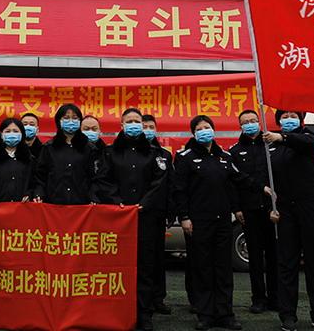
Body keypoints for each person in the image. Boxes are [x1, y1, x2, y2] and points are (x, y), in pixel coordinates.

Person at [174, 114, 269, 331]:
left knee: (223, 269)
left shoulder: (224, 157)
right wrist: (184, 217)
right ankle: (205, 314)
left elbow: (238, 178)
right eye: (199, 128)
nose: (204, 131)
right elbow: (179, 191)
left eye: (207, 127)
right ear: (193, 133)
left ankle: (225, 314)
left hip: (223, 222)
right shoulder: (185, 157)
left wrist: (261, 187)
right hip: (199, 222)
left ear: (213, 130)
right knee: (203, 268)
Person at [265, 110, 314, 331]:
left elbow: (305, 142)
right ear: (278, 120)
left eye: (292, 115)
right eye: (284, 116)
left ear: (300, 119)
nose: (288, 119)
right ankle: (287, 316)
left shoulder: (307, 137)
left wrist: (282, 137)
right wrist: (271, 208)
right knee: (287, 264)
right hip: (286, 211)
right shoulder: (272, 147)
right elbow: (268, 180)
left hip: (312, 207)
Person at [102, 108, 168, 331]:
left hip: (145, 217)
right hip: (118, 219)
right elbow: (104, 179)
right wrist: (117, 201)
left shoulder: (153, 152)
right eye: (128, 121)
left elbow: (159, 181)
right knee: (118, 266)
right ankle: (119, 310)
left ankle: (144, 313)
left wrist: (144, 203)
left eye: (136, 121)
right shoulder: (111, 152)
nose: (133, 124)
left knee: (145, 266)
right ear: (121, 125)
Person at [229, 109, 278, 314]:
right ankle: (258, 299)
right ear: (240, 126)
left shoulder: (271, 145)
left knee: (274, 255)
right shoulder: (235, 150)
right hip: (249, 210)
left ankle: (275, 298)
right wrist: (236, 208)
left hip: (271, 210)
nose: (250, 124)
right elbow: (234, 181)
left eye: (253, 120)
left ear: (259, 122)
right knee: (255, 257)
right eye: (245, 122)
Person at [32, 103, 104, 205]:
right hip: (53, 204)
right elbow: (40, 176)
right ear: (59, 121)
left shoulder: (89, 149)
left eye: (75, 118)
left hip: (82, 205)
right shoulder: (48, 148)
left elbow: (95, 178)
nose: (71, 121)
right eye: (66, 118)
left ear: (80, 121)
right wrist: (38, 193)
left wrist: (93, 196)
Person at [142, 114, 173, 316]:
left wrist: (171, 211)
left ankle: (158, 298)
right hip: (137, 212)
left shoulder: (164, 155)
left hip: (158, 213)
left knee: (158, 257)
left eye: (150, 126)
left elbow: (170, 184)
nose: (147, 130)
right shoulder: (131, 153)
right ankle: (142, 299)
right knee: (141, 258)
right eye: (143, 126)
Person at [0, 118, 35, 203]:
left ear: (22, 135)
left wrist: (29, 194)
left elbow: (35, 184)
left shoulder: (29, 160)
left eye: (15, 131)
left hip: (22, 207)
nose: (12, 134)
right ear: (1, 134)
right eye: (8, 131)